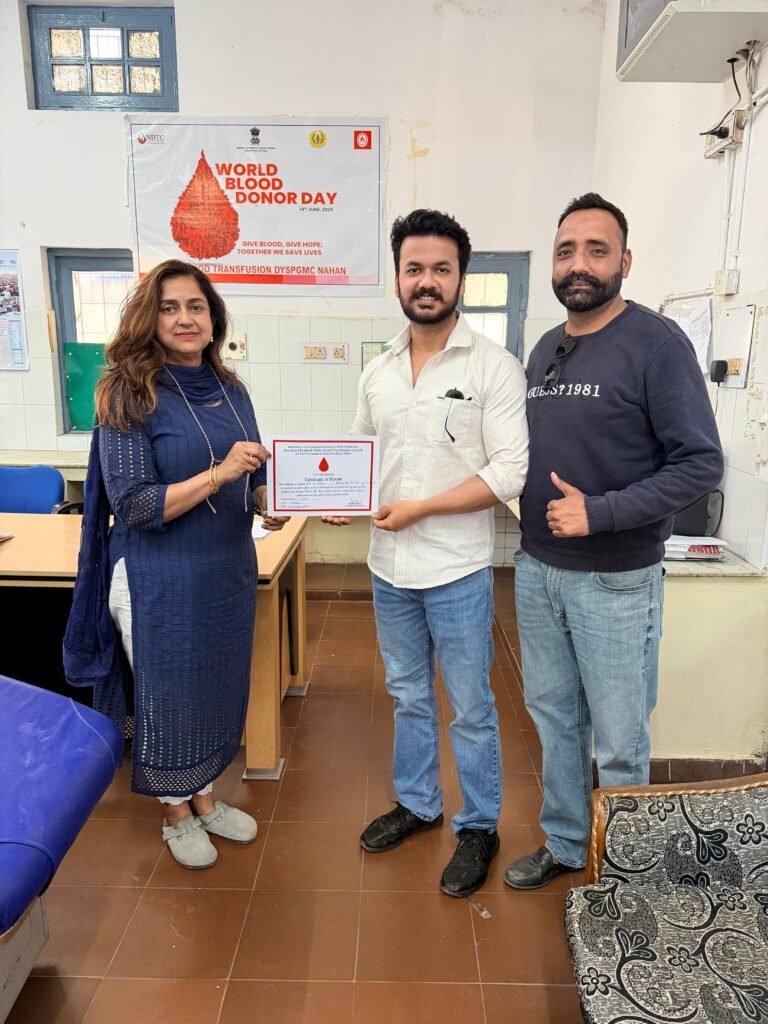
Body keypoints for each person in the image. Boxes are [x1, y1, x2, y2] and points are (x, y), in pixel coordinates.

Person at [503, 193, 723, 890]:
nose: (579, 264)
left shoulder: (657, 344)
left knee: (621, 737)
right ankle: (569, 843)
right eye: (566, 251)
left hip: (616, 578)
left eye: (597, 250)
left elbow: (700, 464)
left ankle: (628, 873)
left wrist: (600, 513)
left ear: (625, 262)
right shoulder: (548, 346)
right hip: (538, 569)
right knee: (555, 719)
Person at [325, 210, 529, 897]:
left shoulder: (494, 367)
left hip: (457, 569)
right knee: (408, 694)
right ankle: (417, 803)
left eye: (442, 269)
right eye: (414, 268)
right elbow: (362, 453)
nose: (427, 281)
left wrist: (424, 507)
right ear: (397, 279)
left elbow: (510, 471)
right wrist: (340, 495)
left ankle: (480, 826)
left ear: (460, 278)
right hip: (389, 569)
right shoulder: (378, 371)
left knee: (469, 704)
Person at [73, 259, 286, 870]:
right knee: (170, 696)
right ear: (150, 317)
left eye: (196, 306)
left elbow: (252, 474)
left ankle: (205, 799)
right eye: (169, 308)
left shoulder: (231, 389)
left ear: (213, 318)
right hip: (157, 577)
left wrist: (267, 500)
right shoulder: (126, 393)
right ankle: (174, 813)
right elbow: (136, 505)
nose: (185, 318)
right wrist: (221, 474)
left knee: (215, 689)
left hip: (225, 571)